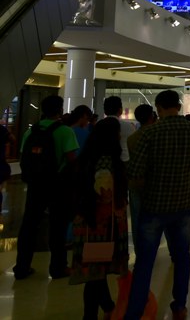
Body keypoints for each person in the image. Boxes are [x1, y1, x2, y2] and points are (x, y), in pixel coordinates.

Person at [124, 90, 190, 320]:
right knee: (182, 257)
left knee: (145, 261)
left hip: (154, 205)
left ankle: (134, 312)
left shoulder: (150, 132)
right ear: (179, 107)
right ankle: (179, 305)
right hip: (182, 205)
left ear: (159, 107)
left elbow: (135, 171)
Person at [69, 118, 129, 320]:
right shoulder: (107, 162)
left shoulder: (86, 159)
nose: (119, 136)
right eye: (117, 132)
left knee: (96, 271)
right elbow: (106, 195)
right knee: (95, 272)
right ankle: (90, 315)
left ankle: (108, 306)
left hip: (86, 222)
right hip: (101, 225)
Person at [14, 95, 78, 280]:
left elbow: (24, 156)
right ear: (60, 110)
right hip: (57, 185)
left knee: (29, 225)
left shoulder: (31, 131)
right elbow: (71, 158)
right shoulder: (65, 131)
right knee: (58, 227)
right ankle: (58, 268)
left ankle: (22, 267)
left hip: (35, 185)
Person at [127, 104, 156, 255]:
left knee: (137, 218)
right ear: (152, 116)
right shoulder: (157, 135)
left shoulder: (132, 138)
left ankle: (140, 251)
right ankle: (152, 248)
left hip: (136, 183)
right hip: (155, 183)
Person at [103, 96, 135, 162]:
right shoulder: (129, 126)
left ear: (105, 111)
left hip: (104, 162)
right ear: (120, 110)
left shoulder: (98, 125)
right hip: (124, 159)